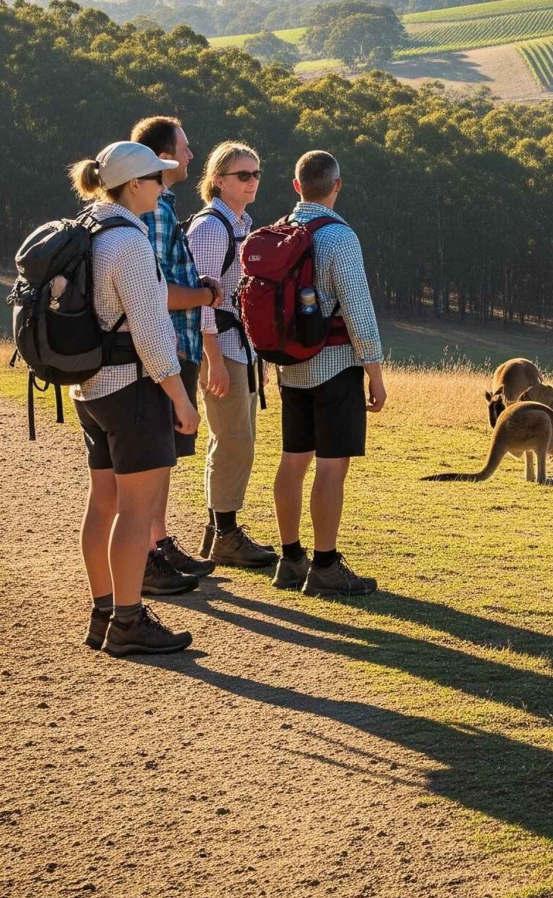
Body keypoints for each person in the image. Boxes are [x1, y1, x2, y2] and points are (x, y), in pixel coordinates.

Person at [68, 141, 199, 656]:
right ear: (135, 185)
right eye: (157, 178)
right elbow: (150, 333)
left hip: (91, 388)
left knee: (103, 504)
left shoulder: (91, 227)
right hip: (133, 392)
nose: (164, 185)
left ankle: (104, 612)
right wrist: (181, 401)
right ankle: (128, 622)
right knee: (136, 513)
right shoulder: (130, 243)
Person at [272, 150, 387, 597]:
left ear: (297, 185)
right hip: (335, 366)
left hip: (289, 368)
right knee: (331, 468)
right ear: (337, 185)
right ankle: (325, 566)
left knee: (293, 460)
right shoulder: (339, 237)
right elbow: (358, 310)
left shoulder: (281, 230)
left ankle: (290, 558)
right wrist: (375, 372)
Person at [129, 115, 223, 591]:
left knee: (164, 456)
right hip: (162, 346)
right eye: (184, 148)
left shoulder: (161, 204)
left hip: (171, 346)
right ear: (164, 155)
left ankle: (159, 545)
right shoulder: (157, 211)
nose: (191, 155)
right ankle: (147, 557)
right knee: (153, 458)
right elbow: (157, 291)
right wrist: (206, 296)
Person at [186, 141, 277, 569]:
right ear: (218, 180)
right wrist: (214, 360)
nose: (253, 181)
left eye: (257, 174)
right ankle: (224, 534)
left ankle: (219, 530)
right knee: (234, 439)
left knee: (236, 438)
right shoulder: (211, 229)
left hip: (236, 345)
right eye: (243, 175)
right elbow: (202, 298)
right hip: (218, 345)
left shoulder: (238, 223)